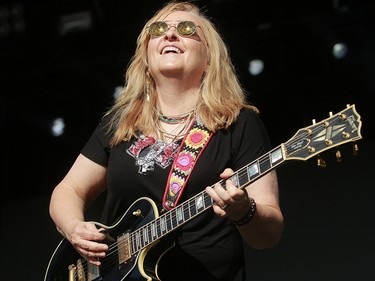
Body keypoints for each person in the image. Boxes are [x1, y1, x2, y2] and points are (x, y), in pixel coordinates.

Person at [48, 1, 284, 280]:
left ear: (209, 58)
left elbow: (268, 235)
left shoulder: (238, 123)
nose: (170, 35)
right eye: (158, 29)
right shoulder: (120, 123)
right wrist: (74, 228)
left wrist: (244, 210)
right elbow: (68, 190)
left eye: (186, 29)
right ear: (146, 57)